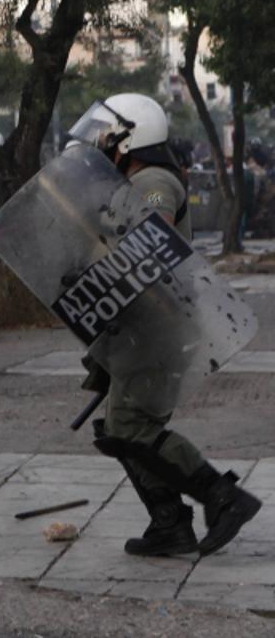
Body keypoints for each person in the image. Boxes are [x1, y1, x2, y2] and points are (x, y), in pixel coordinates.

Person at [69, 94, 260, 557]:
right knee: (120, 427)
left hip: (159, 326)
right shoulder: (131, 180)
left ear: (131, 138)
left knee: (132, 426)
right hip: (141, 327)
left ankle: (222, 496)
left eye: (109, 134)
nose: (102, 142)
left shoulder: (153, 179)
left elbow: (152, 236)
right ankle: (169, 522)